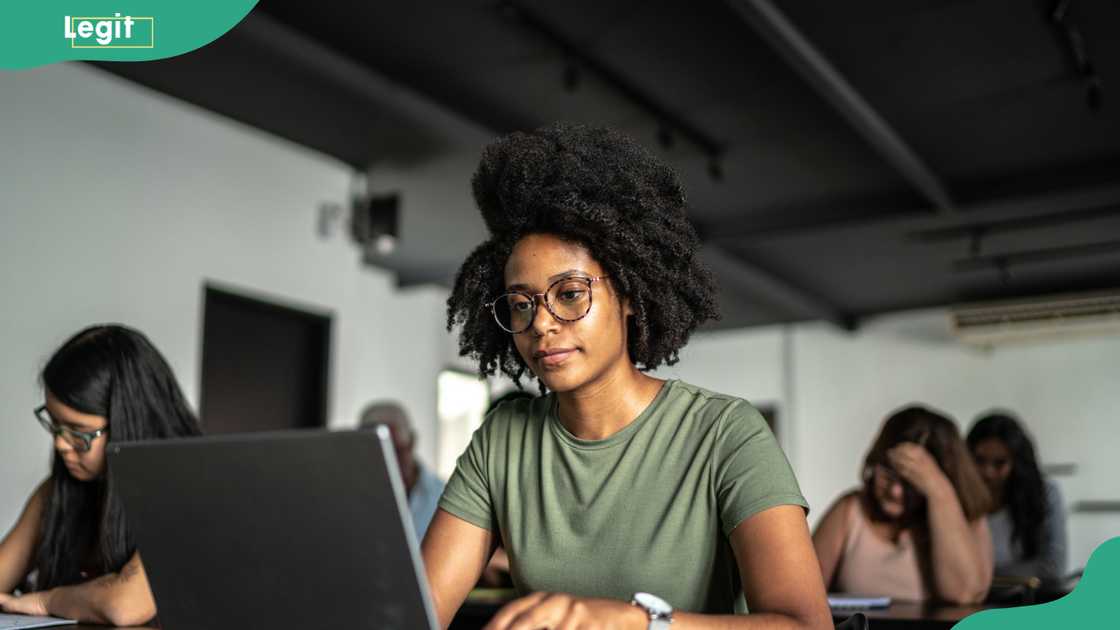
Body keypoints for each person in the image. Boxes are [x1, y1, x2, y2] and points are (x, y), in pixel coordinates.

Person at [423, 122, 832, 629]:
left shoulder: (725, 433)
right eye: (522, 304)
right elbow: (416, 614)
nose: (542, 323)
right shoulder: (502, 441)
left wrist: (639, 622)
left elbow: (806, 626)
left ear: (631, 297)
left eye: (569, 294)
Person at [0, 324, 202, 625]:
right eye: (55, 424)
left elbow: (125, 604)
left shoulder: (185, 490)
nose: (60, 443)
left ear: (129, 423)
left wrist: (47, 600)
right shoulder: (55, 494)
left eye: (79, 432)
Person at [812, 405, 993, 604]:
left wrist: (939, 491)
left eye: (910, 484)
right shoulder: (851, 509)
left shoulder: (968, 515)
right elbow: (802, 592)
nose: (895, 492)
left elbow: (963, 594)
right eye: (887, 475)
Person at [967, 412, 1067, 582]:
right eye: (979, 460)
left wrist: (980, 575)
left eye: (999, 463)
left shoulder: (1044, 493)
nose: (987, 472)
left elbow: (1052, 566)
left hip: (1027, 601)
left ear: (1017, 463)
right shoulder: (956, 496)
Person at [359, 401, 444, 540]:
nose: (387, 462)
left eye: (396, 451)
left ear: (412, 442)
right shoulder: (345, 499)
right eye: (376, 453)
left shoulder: (442, 497)